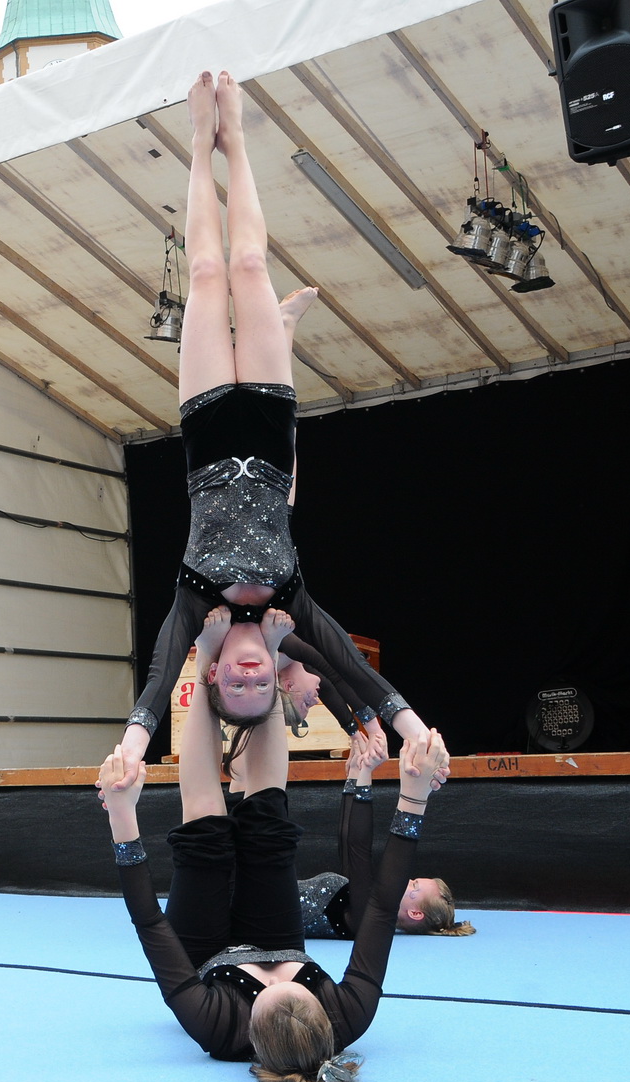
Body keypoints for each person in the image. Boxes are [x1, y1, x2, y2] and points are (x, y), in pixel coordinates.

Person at [115, 73, 436, 781]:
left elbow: (153, 677)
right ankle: (240, 141)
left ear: (214, 666)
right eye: (261, 686)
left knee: (204, 273)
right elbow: (347, 664)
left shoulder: (195, 600)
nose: (252, 676)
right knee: (250, 262)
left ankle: (201, 145)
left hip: (204, 428)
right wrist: (406, 724)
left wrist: (133, 747)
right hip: (264, 423)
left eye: (239, 684)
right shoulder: (291, 600)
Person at [99, 603, 451, 1082]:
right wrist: (413, 799)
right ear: (325, 1020)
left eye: (271, 993)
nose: (280, 981)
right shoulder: (348, 1016)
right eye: (297, 990)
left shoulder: (218, 1028)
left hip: (205, 955)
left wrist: (122, 816)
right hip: (278, 935)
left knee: (205, 831)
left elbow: (149, 921)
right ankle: (262, 655)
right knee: (267, 823)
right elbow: (383, 909)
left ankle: (207, 666)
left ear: (253, 1033)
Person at [299, 731, 475, 940]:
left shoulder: (365, 919)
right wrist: (355, 772)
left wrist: (365, 775)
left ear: (415, 913)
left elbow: (359, 848)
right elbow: (347, 843)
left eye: (415, 885)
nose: (408, 879)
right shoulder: (359, 901)